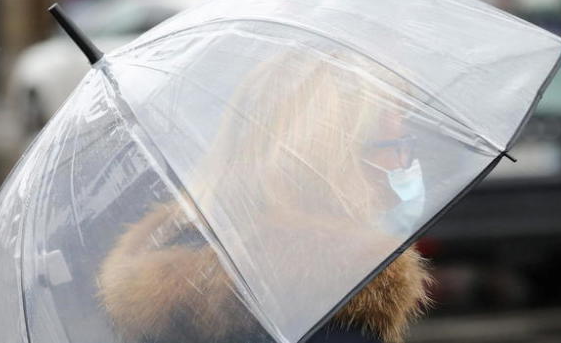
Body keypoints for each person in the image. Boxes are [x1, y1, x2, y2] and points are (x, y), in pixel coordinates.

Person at [96, 50, 433, 343]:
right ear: (339, 163)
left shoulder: (174, 256)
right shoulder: (336, 291)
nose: (407, 162)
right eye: (398, 146)